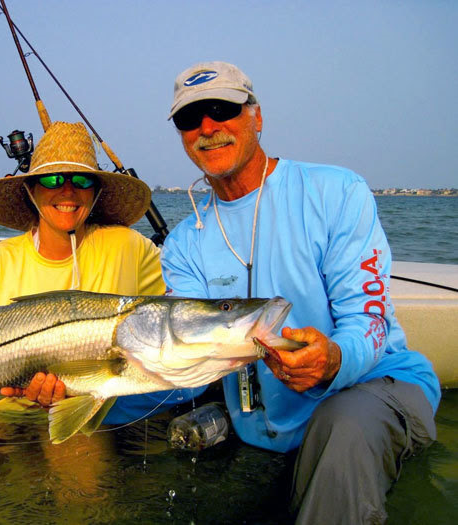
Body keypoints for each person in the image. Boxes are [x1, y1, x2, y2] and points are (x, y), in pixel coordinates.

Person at [160, 61, 440, 524]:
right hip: (258, 427)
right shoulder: (183, 243)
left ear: (257, 116)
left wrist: (332, 358)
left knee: (343, 426)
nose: (207, 128)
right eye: (190, 119)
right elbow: (181, 353)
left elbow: (369, 321)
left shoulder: (336, 191)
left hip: (376, 384)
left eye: (221, 109)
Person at [0, 120, 203, 422]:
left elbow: (174, 317)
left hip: (85, 412)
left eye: (82, 180)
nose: (68, 192)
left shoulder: (131, 248)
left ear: (96, 192)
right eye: (52, 181)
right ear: (30, 190)